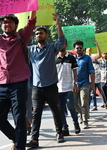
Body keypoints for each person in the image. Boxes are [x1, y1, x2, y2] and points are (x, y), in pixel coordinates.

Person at [26, 14, 65, 148]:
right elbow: (20, 43)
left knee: (55, 110)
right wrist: (27, 25)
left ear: (46, 35)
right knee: (36, 113)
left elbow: (61, 41)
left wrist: (58, 24)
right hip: (36, 87)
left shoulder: (52, 48)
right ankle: (34, 140)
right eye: (36, 34)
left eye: (41, 33)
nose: (38, 35)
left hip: (51, 85)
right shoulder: (30, 50)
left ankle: (59, 133)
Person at [0, 12, 36, 150]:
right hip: (1, 84)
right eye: (4, 22)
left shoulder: (21, 37)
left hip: (19, 84)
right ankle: (15, 137)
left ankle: (20, 147)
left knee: (19, 118)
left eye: (10, 22)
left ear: (15, 25)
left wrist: (32, 6)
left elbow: (31, 22)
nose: (7, 24)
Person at [56, 41, 81, 136]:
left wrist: (75, 83)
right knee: (60, 110)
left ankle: (75, 123)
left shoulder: (71, 58)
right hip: (58, 88)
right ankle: (64, 127)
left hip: (69, 88)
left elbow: (75, 72)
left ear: (66, 45)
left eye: (63, 44)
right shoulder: (54, 58)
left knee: (71, 107)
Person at [73, 40, 95, 129]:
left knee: (84, 102)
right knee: (74, 103)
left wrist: (93, 85)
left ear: (83, 49)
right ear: (74, 49)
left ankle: (85, 121)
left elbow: (92, 72)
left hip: (85, 83)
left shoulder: (87, 58)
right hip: (74, 84)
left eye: (80, 48)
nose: (79, 49)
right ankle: (82, 114)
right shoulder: (72, 58)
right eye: (77, 48)